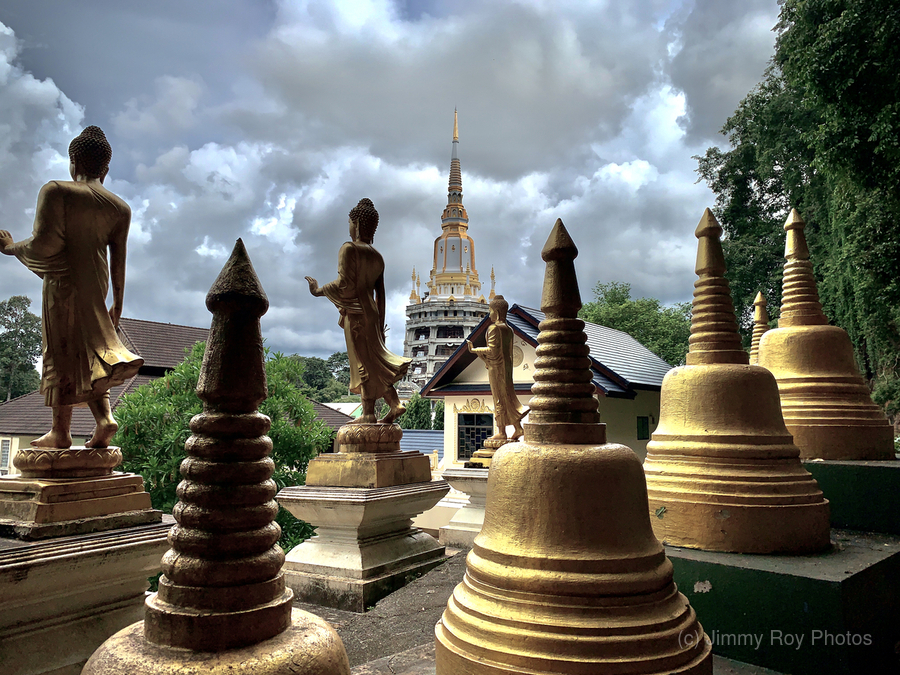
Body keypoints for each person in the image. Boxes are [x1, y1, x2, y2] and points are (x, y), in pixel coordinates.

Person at [0, 126, 142, 449]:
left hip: (63, 288)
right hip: (97, 287)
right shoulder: (120, 209)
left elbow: (43, 245)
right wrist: (117, 305)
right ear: (105, 169)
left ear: (74, 160)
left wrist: (9, 248)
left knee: (61, 355)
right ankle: (104, 419)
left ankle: (60, 432)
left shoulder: (56, 191)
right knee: (91, 355)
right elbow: (119, 261)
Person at [306, 198, 409, 424]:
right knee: (372, 359)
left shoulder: (349, 248)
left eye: (351, 223)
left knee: (362, 362)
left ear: (358, 224)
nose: (349, 228)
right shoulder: (377, 256)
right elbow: (381, 295)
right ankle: (389, 405)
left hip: (356, 314)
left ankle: (372, 412)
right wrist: (380, 324)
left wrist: (318, 290)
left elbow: (344, 285)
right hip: (371, 314)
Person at [467, 295, 526, 440]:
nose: (489, 314)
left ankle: (501, 431)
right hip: (506, 368)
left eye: (490, 310)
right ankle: (518, 427)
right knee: (507, 396)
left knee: (499, 398)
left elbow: (492, 350)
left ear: (498, 312)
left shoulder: (494, 328)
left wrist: (474, 350)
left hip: (496, 368)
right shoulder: (509, 329)